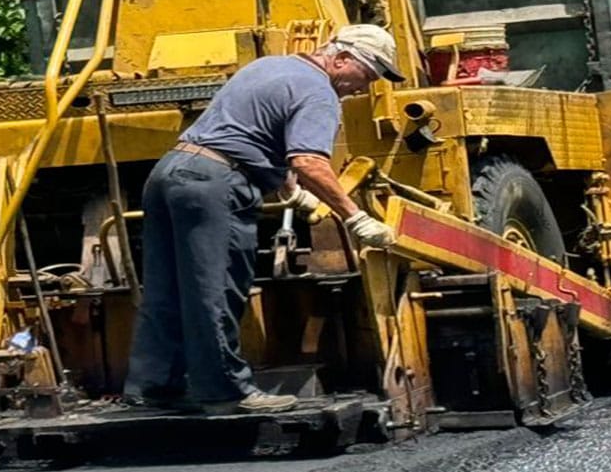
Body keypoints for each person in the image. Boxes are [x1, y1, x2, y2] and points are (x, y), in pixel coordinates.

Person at [122, 26, 404, 415]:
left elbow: (257, 133)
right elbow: (308, 160)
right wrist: (355, 218)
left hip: (170, 173)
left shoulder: (269, 66)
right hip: (214, 185)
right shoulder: (319, 93)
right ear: (342, 59)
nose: (363, 88)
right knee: (216, 289)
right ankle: (227, 392)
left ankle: (154, 386)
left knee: (165, 288)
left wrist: (292, 193)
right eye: (367, 76)